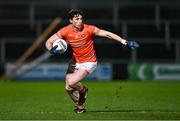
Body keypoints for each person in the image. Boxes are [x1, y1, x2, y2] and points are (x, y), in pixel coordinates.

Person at [45, 9, 139, 113]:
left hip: (89, 62)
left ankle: (83, 93)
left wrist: (125, 42)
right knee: (68, 87)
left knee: (71, 82)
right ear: (71, 21)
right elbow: (49, 41)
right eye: (77, 19)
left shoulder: (89, 29)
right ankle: (81, 104)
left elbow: (107, 34)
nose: (80, 21)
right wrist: (51, 51)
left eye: (81, 18)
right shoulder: (65, 31)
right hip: (75, 60)